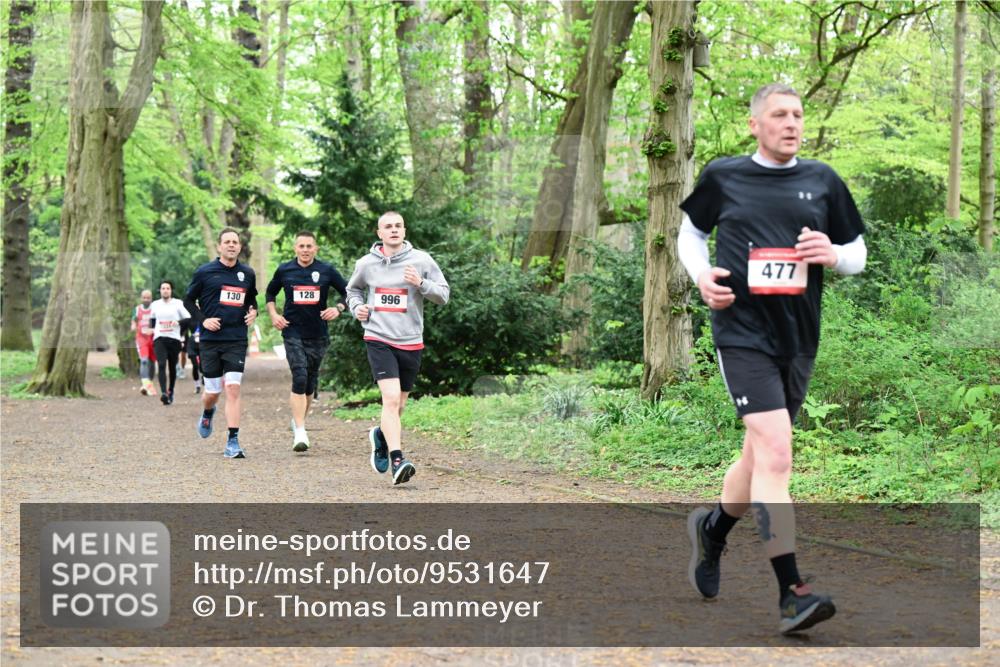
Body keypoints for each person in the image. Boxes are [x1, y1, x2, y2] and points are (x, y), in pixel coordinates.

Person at [678, 83, 867, 634]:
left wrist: (833, 254)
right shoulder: (724, 176)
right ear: (755, 124)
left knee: (758, 458)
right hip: (740, 333)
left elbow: (857, 252)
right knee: (778, 456)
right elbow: (690, 233)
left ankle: (712, 531)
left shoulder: (822, 181)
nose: (791, 123)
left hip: (798, 338)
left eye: (798, 114)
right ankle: (793, 593)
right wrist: (700, 276)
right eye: (779, 114)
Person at [346, 212, 449, 485]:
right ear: (379, 233)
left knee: (399, 405)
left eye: (398, 226)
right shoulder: (366, 264)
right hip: (378, 337)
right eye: (388, 227)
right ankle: (398, 460)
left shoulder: (422, 260)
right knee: (390, 400)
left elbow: (444, 295)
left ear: (404, 230)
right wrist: (358, 308)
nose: (393, 230)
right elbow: (352, 291)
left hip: (411, 340)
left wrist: (421, 284)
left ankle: (380, 435)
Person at [266, 231, 349, 452]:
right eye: (301, 246)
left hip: (318, 334)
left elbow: (349, 292)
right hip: (292, 332)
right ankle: (300, 431)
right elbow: (270, 293)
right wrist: (274, 315)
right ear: (295, 248)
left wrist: (338, 308)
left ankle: (299, 420)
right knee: (300, 375)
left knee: (310, 382)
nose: (305, 250)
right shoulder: (285, 270)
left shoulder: (326, 270)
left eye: (309, 246)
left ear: (315, 249)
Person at [184, 228, 258, 459]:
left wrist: (253, 313)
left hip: (236, 338)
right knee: (212, 392)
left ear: (239, 247)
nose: (231, 245)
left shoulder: (247, 273)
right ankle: (208, 411)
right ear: (219, 247)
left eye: (235, 242)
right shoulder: (205, 273)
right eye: (227, 242)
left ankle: (233, 441)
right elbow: (188, 301)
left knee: (233, 387)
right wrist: (203, 321)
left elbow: (251, 300)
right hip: (210, 341)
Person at [149, 280, 191, 405]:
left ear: (171, 290)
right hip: (159, 338)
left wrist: (178, 323)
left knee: (172, 367)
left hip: (174, 339)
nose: (165, 290)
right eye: (163, 288)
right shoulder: (155, 304)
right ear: (160, 291)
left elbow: (188, 319)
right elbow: (152, 320)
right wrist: (153, 330)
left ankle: (171, 390)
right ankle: (163, 393)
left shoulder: (177, 304)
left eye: (167, 288)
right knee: (161, 364)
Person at [130, 289, 157, 396]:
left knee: (151, 362)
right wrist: (133, 325)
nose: (146, 300)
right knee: (144, 360)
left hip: (153, 338)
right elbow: (134, 319)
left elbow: (158, 321)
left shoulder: (154, 309)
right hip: (141, 338)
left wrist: (154, 329)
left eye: (148, 298)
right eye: (144, 297)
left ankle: (148, 384)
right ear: (141, 298)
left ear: (151, 299)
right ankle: (145, 384)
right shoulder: (137, 309)